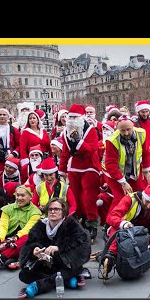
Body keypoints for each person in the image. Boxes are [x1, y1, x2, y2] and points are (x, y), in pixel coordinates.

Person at [18, 198, 92, 298]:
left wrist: (59, 248)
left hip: (66, 264)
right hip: (46, 265)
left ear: (63, 212)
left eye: (56, 209)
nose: (52, 211)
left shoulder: (71, 225)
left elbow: (83, 244)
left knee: (69, 270)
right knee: (23, 275)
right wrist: (34, 251)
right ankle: (65, 281)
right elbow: (29, 244)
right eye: (50, 209)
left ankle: (37, 287)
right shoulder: (40, 226)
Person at [102, 181, 150, 280]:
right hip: (124, 230)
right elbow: (112, 217)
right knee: (117, 233)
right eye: (147, 201)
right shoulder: (130, 199)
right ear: (143, 196)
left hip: (144, 235)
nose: (149, 206)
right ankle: (111, 255)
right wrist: (123, 224)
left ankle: (111, 256)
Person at [0, 185, 41, 277]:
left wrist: (14, 239)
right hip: (5, 241)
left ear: (30, 197)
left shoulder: (36, 212)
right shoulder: (7, 209)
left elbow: (27, 229)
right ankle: (12, 257)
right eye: (17, 195)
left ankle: (0, 258)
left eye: (23, 195)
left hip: (19, 241)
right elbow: (3, 226)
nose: (19, 198)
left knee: (26, 238)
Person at [58, 103, 101, 241]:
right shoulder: (65, 133)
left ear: (81, 118)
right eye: (70, 117)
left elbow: (91, 150)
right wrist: (62, 170)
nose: (72, 120)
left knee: (89, 196)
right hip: (73, 166)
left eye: (75, 117)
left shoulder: (91, 131)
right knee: (75, 196)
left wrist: (78, 141)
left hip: (89, 166)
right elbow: (65, 152)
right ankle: (79, 219)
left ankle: (91, 222)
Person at [102, 117, 150, 212]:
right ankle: (111, 222)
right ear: (118, 129)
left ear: (133, 126)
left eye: (128, 129)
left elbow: (146, 152)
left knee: (140, 194)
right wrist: (123, 182)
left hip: (132, 171)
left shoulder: (141, 134)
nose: (126, 133)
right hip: (113, 173)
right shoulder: (112, 141)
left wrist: (146, 169)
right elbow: (110, 164)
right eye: (123, 130)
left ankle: (136, 218)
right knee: (121, 198)